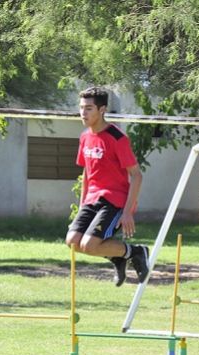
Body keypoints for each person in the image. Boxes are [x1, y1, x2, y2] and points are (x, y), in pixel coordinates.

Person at [65, 87, 149, 286]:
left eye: (89, 109)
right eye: (81, 108)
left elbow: (136, 176)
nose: (83, 113)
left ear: (102, 110)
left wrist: (127, 212)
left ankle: (137, 252)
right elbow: (87, 173)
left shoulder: (117, 138)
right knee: (73, 242)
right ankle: (119, 257)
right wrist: (82, 204)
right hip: (91, 200)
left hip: (114, 201)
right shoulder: (85, 137)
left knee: (89, 245)